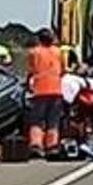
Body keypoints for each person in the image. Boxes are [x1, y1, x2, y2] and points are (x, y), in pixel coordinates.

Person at [25, 28, 65, 158]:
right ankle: (52, 146)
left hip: (40, 91)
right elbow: (63, 70)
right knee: (53, 120)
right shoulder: (58, 52)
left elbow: (30, 71)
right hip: (56, 90)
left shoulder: (34, 52)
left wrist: (28, 86)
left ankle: (36, 145)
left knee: (37, 120)